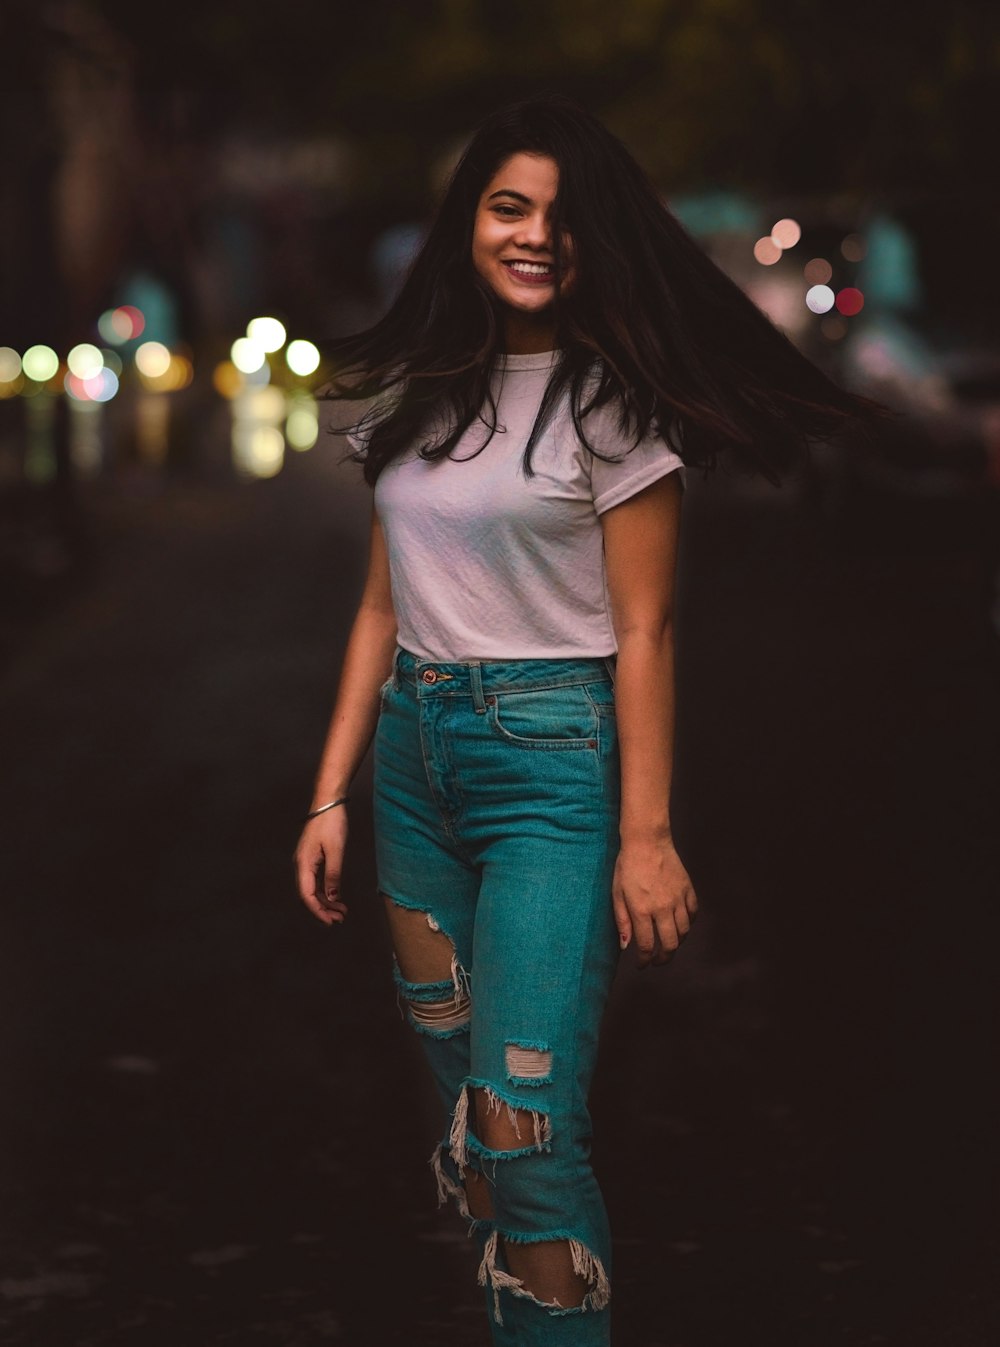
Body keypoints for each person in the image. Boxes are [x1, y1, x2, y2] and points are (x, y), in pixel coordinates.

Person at [294, 96, 883, 1345]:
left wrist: (647, 836)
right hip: (412, 765)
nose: (533, 236)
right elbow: (374, 610)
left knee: (524, 1128)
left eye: (561, 218)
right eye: (508, 207)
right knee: (468, 1126)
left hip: (550, 770)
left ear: (596, 241)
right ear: (470, 222)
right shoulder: (424, 397)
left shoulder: (614, 405)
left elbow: (647, 635)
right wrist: (330, 792)